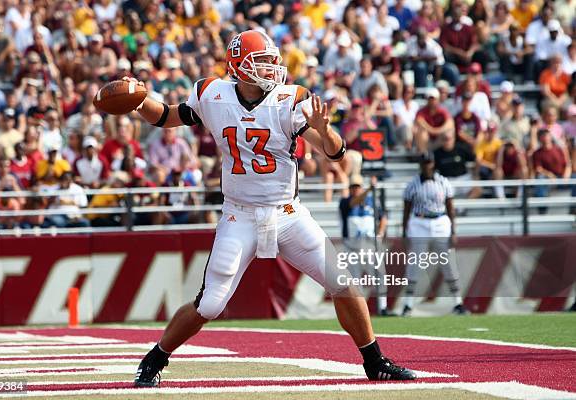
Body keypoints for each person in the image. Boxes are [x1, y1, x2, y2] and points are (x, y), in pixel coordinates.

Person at [128, 30, 415, 387]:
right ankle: (154, 359)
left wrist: (324, 131)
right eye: (262, 60)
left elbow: (336, 152)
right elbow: (168, 116)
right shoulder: (212, 94)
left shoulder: (289, 99)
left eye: (271, 58)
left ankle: (375, 362)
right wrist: (138, 102)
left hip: (288, 214)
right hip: (240, 214)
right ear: (239, 65)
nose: (272, 66)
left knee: (343, 282)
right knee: (211, 305)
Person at [402, 151, 468, 316]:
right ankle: (408, 304)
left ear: (434, 163)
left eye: (429, 162)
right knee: (415, 264)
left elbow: (450, 207)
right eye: (424, 163)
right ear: (420, 165)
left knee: (448, 263)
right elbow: (406, 209)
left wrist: (454, 230)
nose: (427, 166)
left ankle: (458, 302)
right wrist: (405, 231)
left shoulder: (443, 182)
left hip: (440, 221)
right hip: (419, 221)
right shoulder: (412, 184)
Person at [339, 175, 394, 316]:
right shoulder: (344, 202)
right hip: (352, 247)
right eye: (353, 187)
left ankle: (382, 308)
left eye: (357, 187)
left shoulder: (372, 201)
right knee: (355, 281)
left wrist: (380, 234)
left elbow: (383, 218)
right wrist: (370, 188)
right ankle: (360, 312)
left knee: (380, 276)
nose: (355, 190)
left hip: (370, 245)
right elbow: (354, 203)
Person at [413, 88, 454, 152]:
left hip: (438, 137)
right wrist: (432, 130)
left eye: (434, 99)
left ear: (437, 99)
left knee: (449, 133)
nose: (432, 101)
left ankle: (447, 154)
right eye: (430, 99)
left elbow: (450, 123)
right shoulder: (421, 111)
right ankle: (424, 155)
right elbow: (419, 121)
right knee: (422, 133)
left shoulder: (442, 111)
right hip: (428, 139)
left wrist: (438, 130)